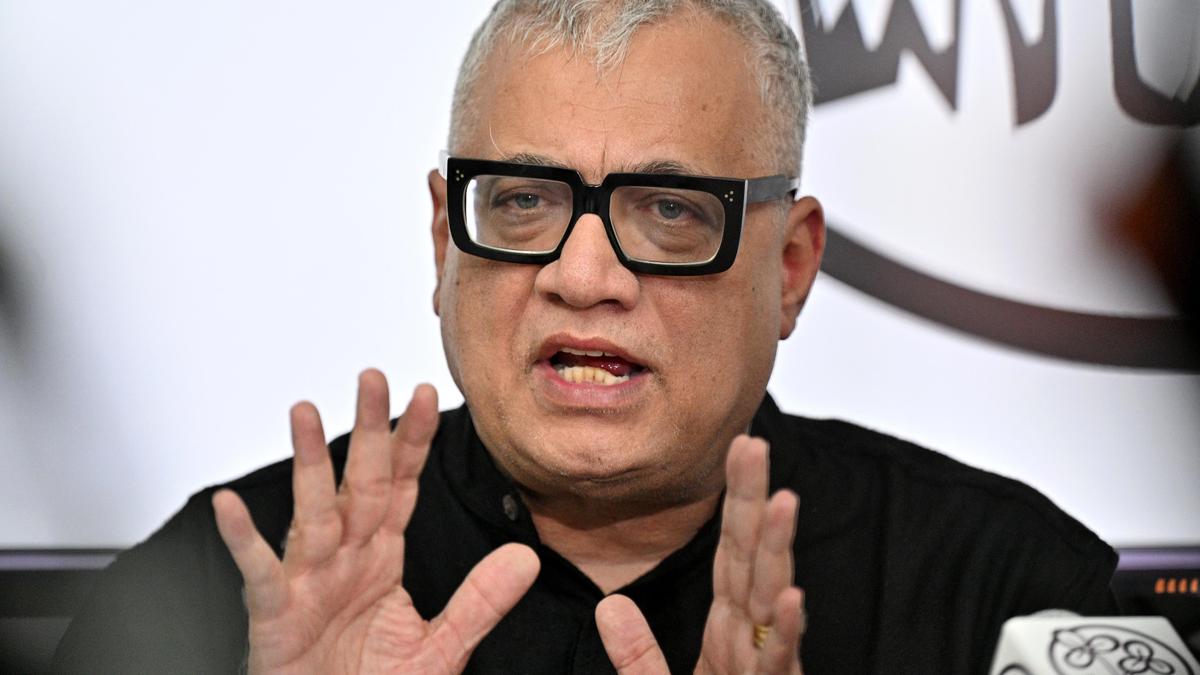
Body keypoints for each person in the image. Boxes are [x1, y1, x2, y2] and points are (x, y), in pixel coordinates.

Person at [53, 1, 1119, 673]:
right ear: (444, 240)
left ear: (790, 267)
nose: (585, 276)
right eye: (522, 202)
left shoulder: (1005, 589)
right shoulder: (218, 592)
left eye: (671, 211)